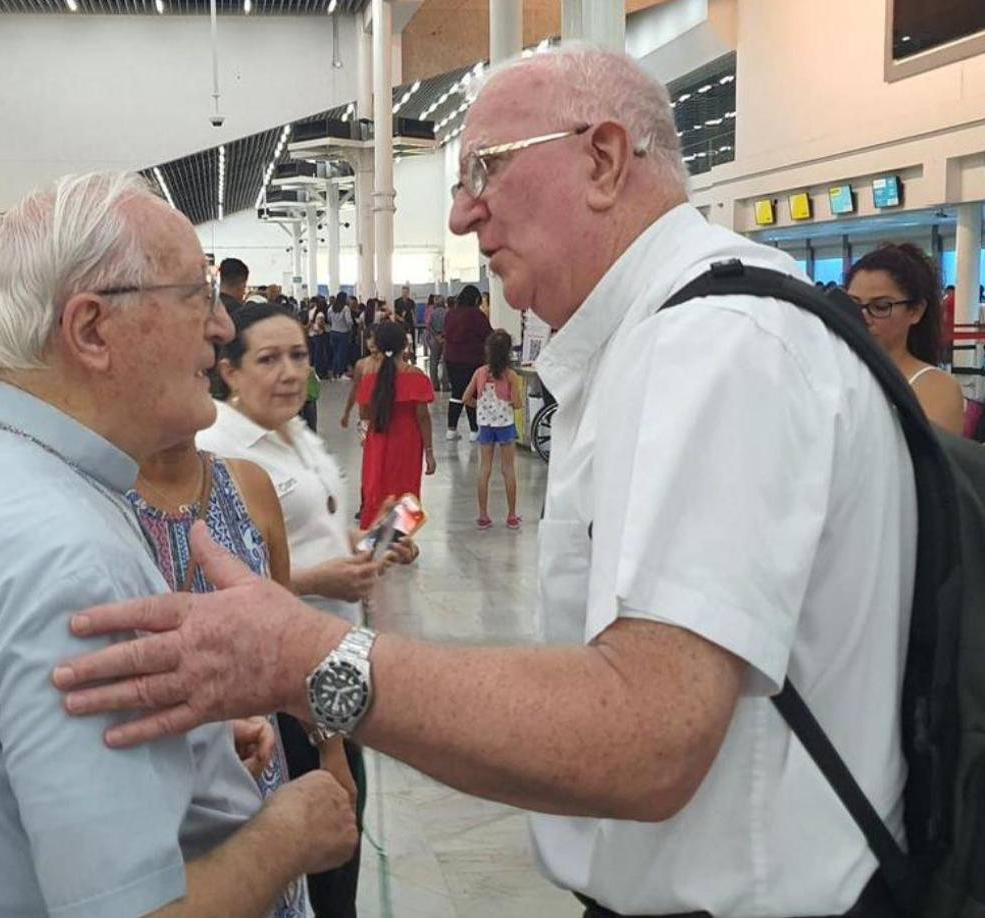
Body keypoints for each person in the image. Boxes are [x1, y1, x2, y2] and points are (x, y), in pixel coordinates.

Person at [53, 45, 915, 917]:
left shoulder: (714, 347)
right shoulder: (675, 336)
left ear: (604, 158)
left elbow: (646, 735)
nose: (463, 215)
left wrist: (303, 656)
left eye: (486, 171)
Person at [0, 171, 356, 917]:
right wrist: (290, 832)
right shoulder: (66, 553)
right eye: (197, 296)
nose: (222, 329)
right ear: (92, 330)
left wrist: (189, 753)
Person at [197, 303, 405, 917]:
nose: (290, 373)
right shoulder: (220, 452)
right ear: (229, 372)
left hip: (337, 667)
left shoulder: (297, 433)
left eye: (298, 356)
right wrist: (321, 579)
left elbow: (317, 536)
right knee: (319, 860)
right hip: (290, 691)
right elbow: (233, 598)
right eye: (268, 359)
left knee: (342, 852)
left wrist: (374, 545)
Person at [129, 430, 357, 918]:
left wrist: (329, 748)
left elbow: (289, 641)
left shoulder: (248, 483)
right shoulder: (102, 500)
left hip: (260, 763)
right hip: (156, 788)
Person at [847, 243, 964, 434]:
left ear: (916, 311)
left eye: (881, 306)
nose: (863, 317)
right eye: (852, 304)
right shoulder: (834, 371)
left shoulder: (936, 388)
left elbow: (929, 461)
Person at [356, 321, 435, 529]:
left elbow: (364, 413)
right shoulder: (416, 376)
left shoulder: (370, 378)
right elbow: (423, 417)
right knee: (406, 489)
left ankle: (374, 538)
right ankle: (399, 541)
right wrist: (429, 451)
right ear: (405, 345)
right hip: (408, 442)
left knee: (377, 488)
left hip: (378, 439)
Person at [462, 329, 523, 530]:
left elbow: (465, 398)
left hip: (485, 425)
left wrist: (479, 405)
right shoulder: (511, 375)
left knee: (484, 469)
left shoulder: (480, 373)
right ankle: (512, 515)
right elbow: (517, 404)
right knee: (508, 470)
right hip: (505, 425)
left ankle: (483, 515)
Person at [443, 284, 492, 441]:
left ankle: (451, 429)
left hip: (451, 358)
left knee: (457, 392)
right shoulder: (477, 315)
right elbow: (488, 335)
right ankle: (474, 430)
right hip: (472, 359)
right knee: (472, 393)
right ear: (476, 299)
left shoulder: (450, 314)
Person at [340, 325, 379, 430]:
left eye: (376, 337)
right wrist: (346, 412)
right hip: (365, 416)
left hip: (384, 416)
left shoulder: (389, 364)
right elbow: (355, 389)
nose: (372, 341)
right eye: (369, 338)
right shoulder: (361, 364)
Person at [425, 294, 450, 391]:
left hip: (435, 339)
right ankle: (445, 384)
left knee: (433, 361)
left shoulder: (432, 312)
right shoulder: (447, 312)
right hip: (445, 338)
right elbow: (449, 325)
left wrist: (436, 335)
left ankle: (435, 385)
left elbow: (428, 325)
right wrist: (443, 335)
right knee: (445, 362)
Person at [328, 292, 353, 379]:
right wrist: (350, 328)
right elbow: (349, 321)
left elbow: (329, 319)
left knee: (335, 353)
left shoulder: (331, 308)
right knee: (341, 354)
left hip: (333, 332)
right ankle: (340, 373)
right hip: (343, 333)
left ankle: (334, 373)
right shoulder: (345, 308)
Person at [394, 285, 417, 360]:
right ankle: (401, 354)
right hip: (400, 324)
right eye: (404, 292)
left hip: (409, 323)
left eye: (406, 292)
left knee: (411, 339)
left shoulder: (411, 302)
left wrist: (414, 321)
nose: (405, 294)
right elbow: (394, 313)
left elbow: (413, 312)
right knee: (401, 339)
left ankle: (412, 354)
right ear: (401, 292)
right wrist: (400, 318)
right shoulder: (397, 302)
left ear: (408, 292)